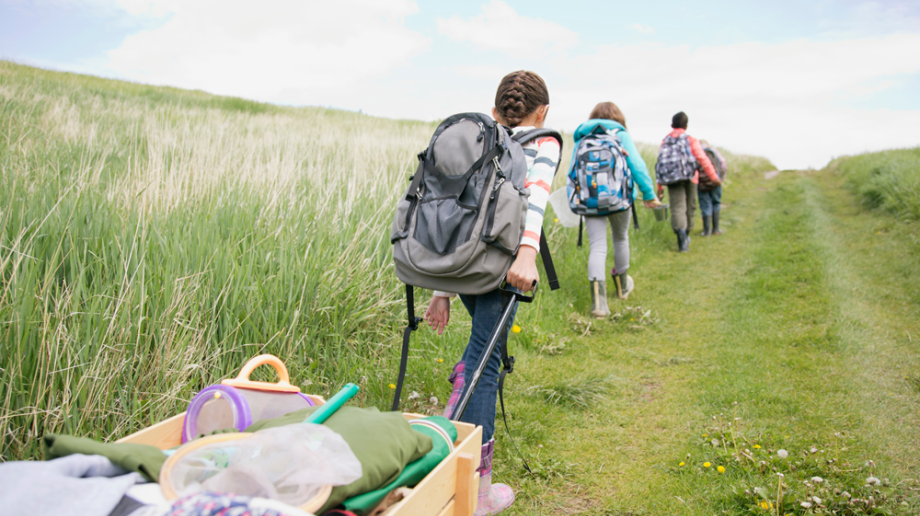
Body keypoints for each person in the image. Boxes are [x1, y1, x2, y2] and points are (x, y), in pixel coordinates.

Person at [424, 71, 560, 516]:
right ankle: (476, 492)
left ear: (495, 108)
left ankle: (460, 394)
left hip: (462, 263)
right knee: (485, 363)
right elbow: (535, 199)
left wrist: (441, 288)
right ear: (542, 111)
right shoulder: (544, 141)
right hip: (503, 265)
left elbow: (451, 208)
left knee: (482, 353)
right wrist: (527, 255)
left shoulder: (477, 137)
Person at [572, 102, 661, 317]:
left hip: (590, 200)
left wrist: (575, 200)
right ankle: (622, 287)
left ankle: (599, 304)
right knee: (620, 239)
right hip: (620, 199)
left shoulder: (582, 138)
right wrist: (649, 194)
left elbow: (572, 173)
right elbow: (637, 165)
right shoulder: (620, 135)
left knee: (597, 246)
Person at [656, 111, 721, 251]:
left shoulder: (665, 141)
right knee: (690, 208)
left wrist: (659, 188)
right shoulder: (691, 140)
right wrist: (714, 177)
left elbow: (661, 164)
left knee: (678, 208)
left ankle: (682, 242)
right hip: (691, 178)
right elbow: (703, 159)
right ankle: (686, 236)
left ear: (672, 125)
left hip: (672, 179)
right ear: (686, 126)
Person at [698, 139, 727, 236]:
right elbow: (723, 164)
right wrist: (721, 179)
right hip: (715, 182)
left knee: (705, 205)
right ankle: (716, 229)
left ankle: (706, 232)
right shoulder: (714, 151)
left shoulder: (697, 153)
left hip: (702, 184)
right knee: (716, 203)